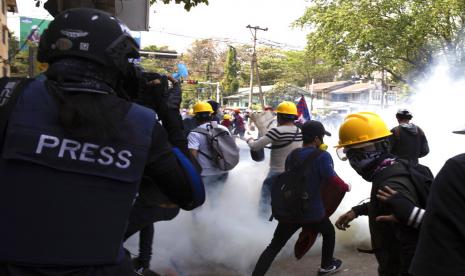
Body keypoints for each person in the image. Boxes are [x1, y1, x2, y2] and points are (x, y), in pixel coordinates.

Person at [0, 8, 203, 276]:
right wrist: (169, 115)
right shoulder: (142, 123)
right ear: (117, 60)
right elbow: (191, 194)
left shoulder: (10, 96)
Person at [252, 120, 348, 276]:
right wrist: (346, 187)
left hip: (290, 210)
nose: (322, 139)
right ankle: (326, 265)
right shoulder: (323, 156)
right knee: (329, 233)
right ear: (317, 139)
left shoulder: (293, 155)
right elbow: (333, 181)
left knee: (274, 246)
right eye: (322, 136)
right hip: (312, 212)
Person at [334, 112, 423, 276]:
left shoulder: (390, 181)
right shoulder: (393, 168)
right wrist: (357, 211)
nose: (352, 161)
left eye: (351, 153)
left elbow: (410, 236)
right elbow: (389, 205)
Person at [408, 127, 465, 276]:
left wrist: (409, 213)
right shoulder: (418, 130)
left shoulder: (457, 169)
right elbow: (424, 150)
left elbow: (445, 234)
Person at [247, 101, 303, 218]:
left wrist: (249, 139)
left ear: (280, 116)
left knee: (265, 200)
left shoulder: (277, 131)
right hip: (293, 174)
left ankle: (261, 222)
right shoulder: (299, 131)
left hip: (276, 174)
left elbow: (255, 146)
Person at [188, 101, 230, 202]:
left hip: (205, 173)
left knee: (199, 200)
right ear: (211, 115)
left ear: (196, 117)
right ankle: (216, 216)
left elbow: (192, 157)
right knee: (216, 199)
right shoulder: (223, 128)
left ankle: (202, 217)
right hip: (223, 170)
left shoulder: (194, 134)